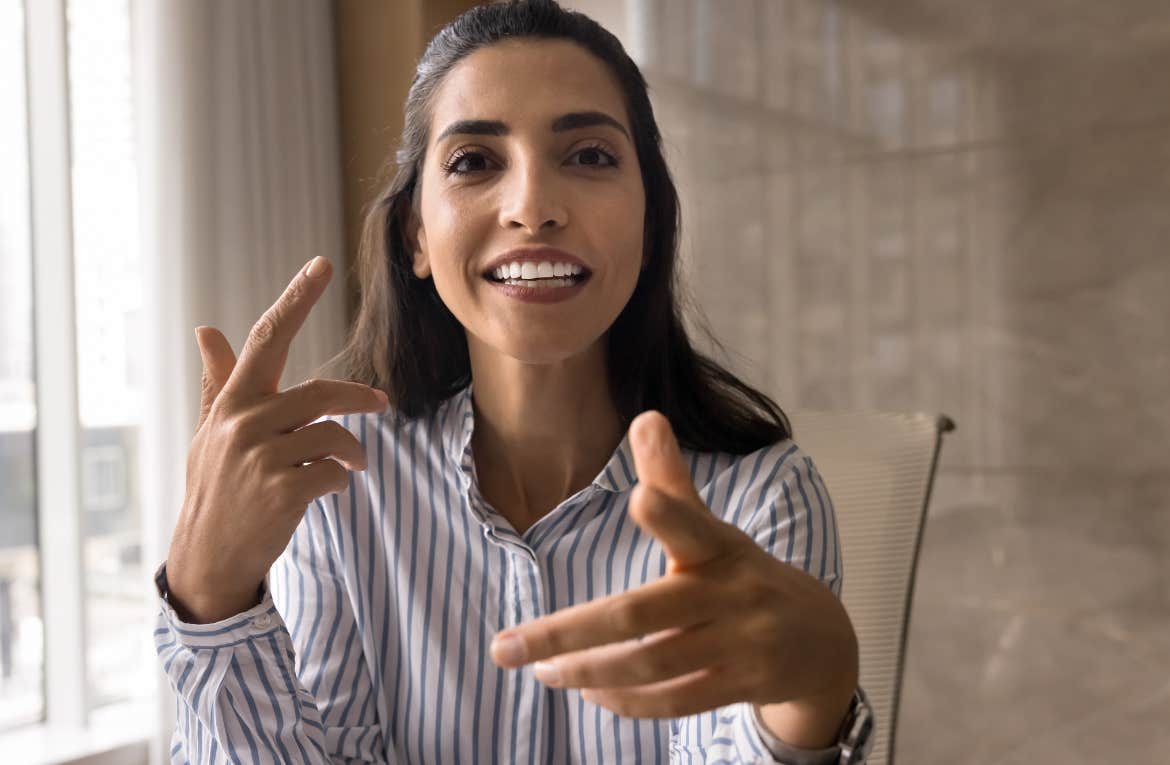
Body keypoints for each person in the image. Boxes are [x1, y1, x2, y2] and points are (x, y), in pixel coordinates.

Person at [155, 1, 872, 762]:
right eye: (474, 161)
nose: (533, 206)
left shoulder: (762, 499)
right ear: (417, 235)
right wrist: (211, 601)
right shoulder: (336, 486)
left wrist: (814, 698)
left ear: (651, 221)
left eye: (590, 156)